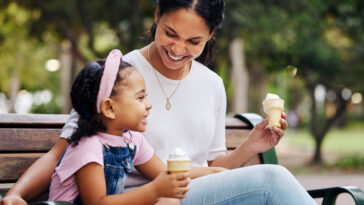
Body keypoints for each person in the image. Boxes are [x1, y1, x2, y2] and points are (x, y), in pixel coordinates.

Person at [1, 0, 316, 204]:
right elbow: (60, 153)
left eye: (194, 41)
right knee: (271, 180)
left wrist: (250, 146)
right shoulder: (118, 75)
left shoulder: (212, 85)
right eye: (170, 33)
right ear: (157, 16)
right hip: (139, 198)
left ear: (211, 35)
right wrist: (15, 194)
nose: (178, 49)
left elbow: (207, 168)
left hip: (181, 192)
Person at [48, 49, 224, 205]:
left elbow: (164, 172)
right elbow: (97, 203)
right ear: (109, 108)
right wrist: (154, 190)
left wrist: (213, 172)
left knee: (167, 201)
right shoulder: (89, 147)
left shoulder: (131, 140)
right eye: (140, 98)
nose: (149, 105)